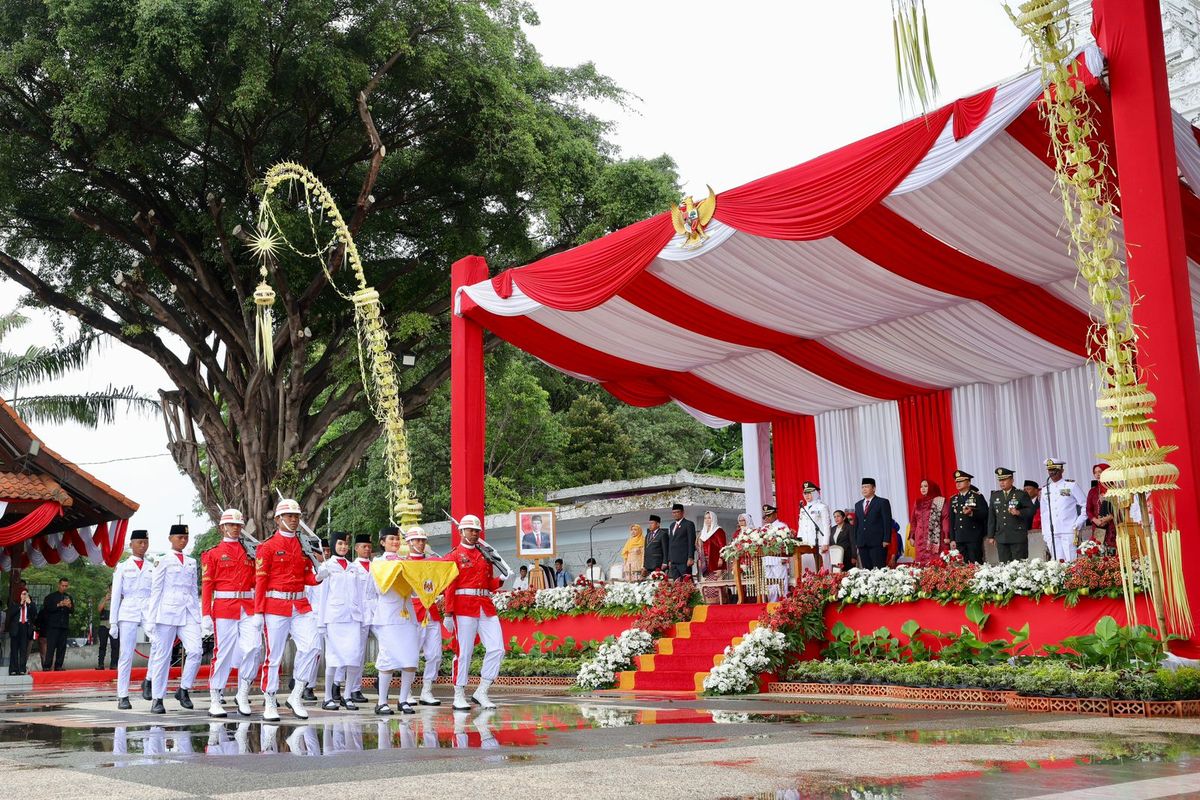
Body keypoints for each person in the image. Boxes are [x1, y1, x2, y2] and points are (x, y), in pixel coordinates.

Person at [255, 498, 325, 721]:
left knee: (313, 647)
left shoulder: (303, 545)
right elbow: (260, 581)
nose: (294, 520)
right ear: (278, 519)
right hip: (275, 605)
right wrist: (258, 612)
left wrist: (318, 577)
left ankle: (296, 695)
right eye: (289, 516)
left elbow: (306, 576)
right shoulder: (267, 547)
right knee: (273, 656)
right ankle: (269, 699)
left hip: (300, 604)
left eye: (296, 516)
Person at [200, 509, 263, 718]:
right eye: (231, 525)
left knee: (254, 646)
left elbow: (257, 580)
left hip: (247, 605)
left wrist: (259, 609)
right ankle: (216, 697)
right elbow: (207, 585)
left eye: (238, 525)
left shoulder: (250, 552)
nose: (235, 528)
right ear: (222, 527)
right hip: (224, 605)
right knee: (223, 653)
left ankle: (243, 693)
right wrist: (206, 614)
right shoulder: (213, 553)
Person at [444, 514, 505, 711]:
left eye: (477, 530)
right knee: (464, 652)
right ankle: (459, 693)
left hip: (485, 604)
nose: (474, 533)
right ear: (461, 531)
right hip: (463, 607)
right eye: (470, 530)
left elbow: (488, 585)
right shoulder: (453, 556)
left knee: (497, 648)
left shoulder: (484, 555)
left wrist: (502, 579)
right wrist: (448, 613)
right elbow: (449, 586)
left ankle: (482, 690)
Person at [147, 524, 203, 713]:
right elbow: (156, 590)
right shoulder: (162, 560)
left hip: (188, 612)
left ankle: (184, 689)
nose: (183, 540)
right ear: (170, 538)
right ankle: (157, 698)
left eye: (185, 537)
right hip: (167, 613)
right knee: (163, 657)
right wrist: (151, 619)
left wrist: (199, 615)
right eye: (179, 537)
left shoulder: (191, 561)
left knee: (196, 650)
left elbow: (194, 590)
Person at [370, 526, 421, 715]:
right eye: (391, 539)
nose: (395, 542)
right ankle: (382, 701)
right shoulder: (377, 563)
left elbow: (415, 591)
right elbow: (376, 590)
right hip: (387, 617)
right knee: (388, 659)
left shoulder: (407, 562)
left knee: (410, 658)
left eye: (397, 539)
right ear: (382, 542)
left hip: (407, 615)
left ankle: (403, 700)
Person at [317, 531, 367, 711]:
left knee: (354, 658)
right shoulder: (327, 567)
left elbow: (360, 596)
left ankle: (347, 696)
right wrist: (321, 623)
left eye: (345, 544)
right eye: (339, 544)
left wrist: (362, 618)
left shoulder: (354, 567)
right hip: (334, 619)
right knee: (333, 659)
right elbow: (322, 596)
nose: (343, 547)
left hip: (353, 618)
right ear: (333, 545)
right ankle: (328, 697)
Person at [402, 525, 447, 707]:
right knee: (411, 654)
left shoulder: (433, 562)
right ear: (409, 542)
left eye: (423, 540)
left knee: (435, 654)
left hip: (431, 611)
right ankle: (408, 691)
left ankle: (427, 690)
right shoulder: (403, 563)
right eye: (417, 540)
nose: (420, 543)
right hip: (414, 611)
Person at [109, 529, 153, 708]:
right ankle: (123, 695)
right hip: (128, 610)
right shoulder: (123, 566)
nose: (143, 546)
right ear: (131, 544)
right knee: (126, 653)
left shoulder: (152, 566)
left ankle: (148, 680)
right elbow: (116, 595)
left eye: (145, 542)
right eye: (139, 542)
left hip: (148, 609)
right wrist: (113, 622)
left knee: (159, 644)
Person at [346, 532, 375, 705]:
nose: (367, 550)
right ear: (356, 548)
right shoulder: (352, 567)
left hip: (375, 612)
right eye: (364, 547)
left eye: (370, 547)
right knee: (358, 652)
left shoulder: (377, 567)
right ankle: (353, 689)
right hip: (359, 614)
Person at [1041, 458, 1089, 562]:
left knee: (1071, 561)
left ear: (1062, 470)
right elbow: (1044, 513)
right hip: (1052, 531)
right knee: (1057, 563)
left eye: (1055, 470)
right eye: (1050, 470)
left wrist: (1079, 522)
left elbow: (1085, 505)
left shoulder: (1071, 485)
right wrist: (1045, 532)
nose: (1052, 473)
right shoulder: (1045, 489)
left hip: (1068, 529)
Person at [987, 467, 1036, 562]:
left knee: (1019, 566)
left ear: (1012, 480)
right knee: (1004, 566)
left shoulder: (1020, 494)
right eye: (1000, 480)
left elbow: (1031, 510)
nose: (1002, 482)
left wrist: (1019, 512)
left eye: (1004, 480)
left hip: (1017, 536)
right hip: (1001, 537)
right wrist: (991, 536)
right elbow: (992, 517)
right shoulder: (995, 496)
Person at [947, 471, 988, 563]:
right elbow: (952, 521)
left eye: (961, 481)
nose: (958, 484)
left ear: (968, 483)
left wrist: (972, 513)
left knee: (975, 562)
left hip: (973, 536)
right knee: (963, 565)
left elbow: (985, 514)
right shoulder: (954, 499)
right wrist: (952, 539)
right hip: (959, 537)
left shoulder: (977, 496)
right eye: (957, 481)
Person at [853, 479, 893, 570]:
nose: (864, 489)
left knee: (878, 570)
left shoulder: (882, 502)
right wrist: (856, 541)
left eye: (866, 487)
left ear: (874, 488)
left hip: (878, 542)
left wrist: (886, 539)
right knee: (866, 570)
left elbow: (887, 521)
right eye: (862, 487)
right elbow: (857, 524)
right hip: (862, 543)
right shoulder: (858, 504)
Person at [911, 479, 950, 565]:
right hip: (920, 538)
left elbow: (945, 519)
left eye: (925, 486)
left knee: (936, 564)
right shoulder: (917, 502)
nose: (923, 488)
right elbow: (913, 521)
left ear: (932, 488)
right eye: (921, 486)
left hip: (936, 537)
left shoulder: (940, 501)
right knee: (921, 564)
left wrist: (947, 535)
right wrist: (912, 536)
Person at [39, 578, 74, 670]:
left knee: (62, 647)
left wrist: (69, 606)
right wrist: (59, 604)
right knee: (51, 646)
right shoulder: (50, 597)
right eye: (63, 585)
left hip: (64, 625)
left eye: (66, 586)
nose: (64, 588)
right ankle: (47, 666)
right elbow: (47, 609)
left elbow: (72, 611)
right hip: (53, 626)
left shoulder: (68, 597)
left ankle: (58, 665)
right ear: (59, 585)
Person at [797, 482, 832, 571]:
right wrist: (799, 542)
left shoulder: (822, 507)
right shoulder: (803, 509)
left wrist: (826, 543)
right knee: (808, 571)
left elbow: (826, 526)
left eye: (809, 493)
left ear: (815, 493)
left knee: (823, 571)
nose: (807, 495)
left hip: (819, 544)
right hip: (806, 544)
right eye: (805, 493)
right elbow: (800, 527)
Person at [1086, 463, 1117, 552]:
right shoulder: (1093, 491)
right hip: (1098, 526)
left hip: (1113, 525)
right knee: (1099, 550)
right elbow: (1088, 510)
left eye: (1100, 471)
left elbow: (1121, 508)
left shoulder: (1115, 489)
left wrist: (1109, 517)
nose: (1097, 474)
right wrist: (1095, 520)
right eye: (1095, 472)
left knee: (1113, 550)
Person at [6, 587, 36, 675]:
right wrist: (21, 604)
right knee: (14, 649)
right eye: (23, 594)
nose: (24, 596)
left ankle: (22, 669)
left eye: (25, 594)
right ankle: (13, 669)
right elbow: (10, 614)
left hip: (25, 627)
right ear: (19, 595)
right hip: (16, 627)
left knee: (23, 649)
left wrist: (29, 603)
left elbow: (34, 613)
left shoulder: (30, 604)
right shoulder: (14, 603)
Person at [666, 503, 697, 579]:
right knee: (676, 583)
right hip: (674, 561)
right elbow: (671, 543)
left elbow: (691, 541)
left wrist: (690, 557)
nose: (675, 514)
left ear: (683, 512)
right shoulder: (672, 525)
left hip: (684, 560)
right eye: (673, 512)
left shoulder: (688, 524)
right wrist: (669, 559)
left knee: (687, 583)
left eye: (677, 512)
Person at [696, 511, 726, 577]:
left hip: (715, 560)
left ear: (713, 519)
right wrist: (699, 559)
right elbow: (700, 548)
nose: (707, 520)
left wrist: (721, 558)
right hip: (704, 562)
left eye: (709, 518)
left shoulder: (718, 530)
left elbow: (723, 546)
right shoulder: (703, 532)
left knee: (716, 584)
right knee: (706, 584)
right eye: (705, 518)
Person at [96, 588, 118, 671]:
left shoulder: (120, 599)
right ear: (109, 590)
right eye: (111, 589)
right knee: (102, 645)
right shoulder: (104, 599)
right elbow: (99, 609)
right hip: (103, 625)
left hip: (114, 625)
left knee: (115, 646)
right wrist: (105, 599)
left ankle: (114, 664)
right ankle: (100, 664)